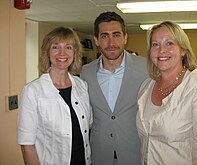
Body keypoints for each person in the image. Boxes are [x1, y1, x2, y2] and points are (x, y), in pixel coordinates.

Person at [136, 21, 197, 165]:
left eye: (169, 43)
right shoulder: (146, 87)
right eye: (155, 44)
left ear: (183, 50)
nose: (161, 50)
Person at [80, 11, 149, 165]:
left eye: (116, 35)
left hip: (135, 153)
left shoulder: (146, 68)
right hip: (100, 154)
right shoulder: (86, 72)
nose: (111, 43)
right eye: (104, 36)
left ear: (125, 37)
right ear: (96, 40)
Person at [17, 27, 92, 165]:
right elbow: (27, 145)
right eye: (55, 47)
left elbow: (87, 127)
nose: (62, 53)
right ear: (47, 53)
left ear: (75, 53)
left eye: (68, 47)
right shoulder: (32, 91)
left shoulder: (82, 86)